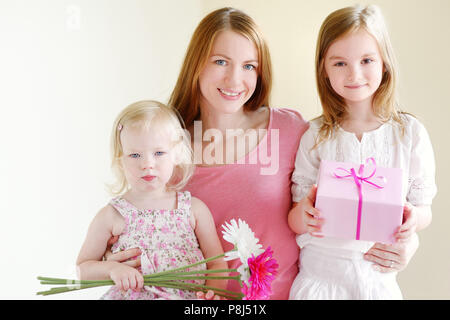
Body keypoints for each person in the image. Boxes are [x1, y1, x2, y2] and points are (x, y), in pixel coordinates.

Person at [104, 7, 421, 300]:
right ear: (196, 63)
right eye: (220, 61)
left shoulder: (291, 130)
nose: (234, 79)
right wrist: (111, 259)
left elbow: (357, 197)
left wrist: (407, 242)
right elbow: (132, 217)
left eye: (248, 66)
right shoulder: (165, 146)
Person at [288, 4, 436, 299]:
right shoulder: (315, 135)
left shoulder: (408, 133)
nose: (354, 74)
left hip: (376, 281)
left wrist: (412, 222)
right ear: (324, 69)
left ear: (384, 62)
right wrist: (305, 214)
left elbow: (423, 209)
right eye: (340, 63)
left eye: (366, 60)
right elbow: (294, 215)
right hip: (319, 280)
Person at [76, 100, 227, 300]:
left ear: (176, 154)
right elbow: (82, 269)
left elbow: (217, 263)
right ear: (120, 161)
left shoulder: (193, 210)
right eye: (135, 155)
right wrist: (112, 269)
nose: (147, 164)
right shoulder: (113, 215)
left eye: (159, 153)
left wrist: (211, 295)